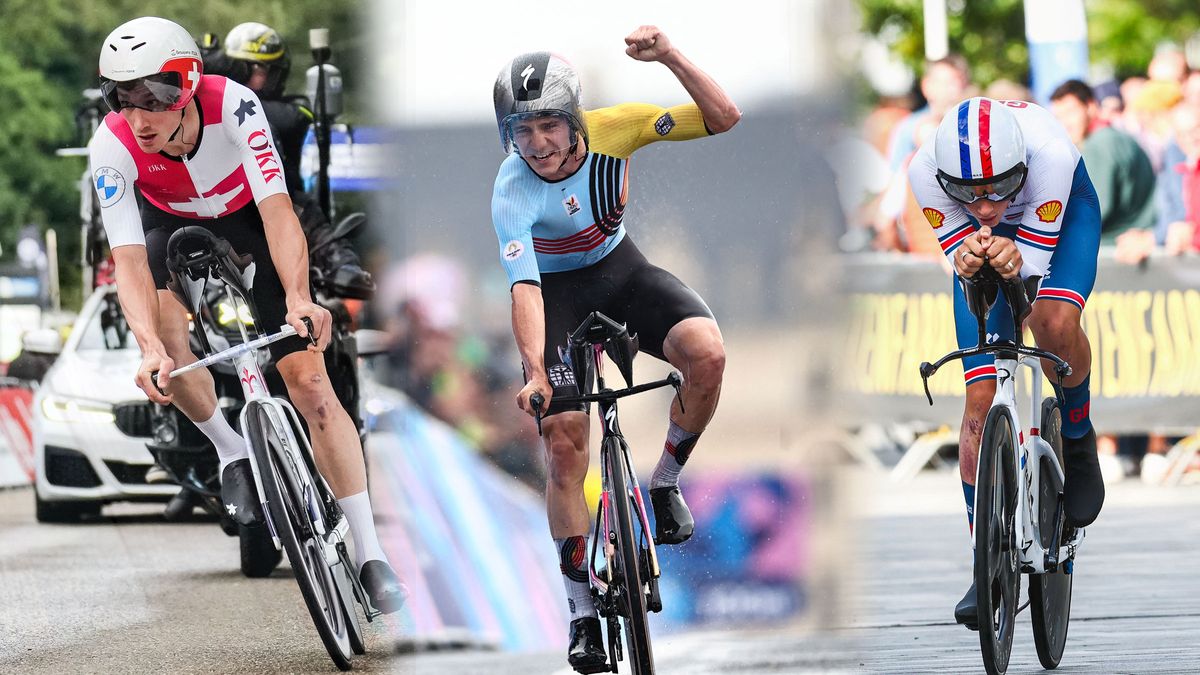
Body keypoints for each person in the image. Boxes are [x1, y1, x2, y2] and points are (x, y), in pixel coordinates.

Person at [87, 16, 405, 611]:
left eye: (153, 98)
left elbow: (280, 212)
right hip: (168, 226)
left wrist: (299, 298)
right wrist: (150, 348)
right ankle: (230, 449)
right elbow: (128, 259)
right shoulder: (112, 144)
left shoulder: (236, 106)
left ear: (185, 86)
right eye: (123, 100)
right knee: (165, 340)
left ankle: (370, 555)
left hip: (249, 221)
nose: (139, 117)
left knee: (311, 382)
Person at [491, 26, 738, 672]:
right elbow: (523, 289)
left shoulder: (618, 128)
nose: (539, 144)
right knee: (565, 438)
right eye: (523, 131)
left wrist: (672, 57)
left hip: (622, 272)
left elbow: (723, 117)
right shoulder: (510, 189)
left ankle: (663, 484)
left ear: (575, 119)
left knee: (706, 353)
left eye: (549, 126)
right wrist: (538, 370)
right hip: (554, 297)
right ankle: (580, 616)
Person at [907, 97, 1105, 628]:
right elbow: (966, 260)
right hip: (991, 248)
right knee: (977, 403)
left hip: (1060, 220)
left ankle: (1080, 439)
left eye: (998, 188)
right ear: (946, 179)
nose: (987, 205)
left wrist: (1009, 262)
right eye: (968, 194)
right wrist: (967, 259)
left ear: (1019, 170)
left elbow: (1029, 276)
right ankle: (984, 561)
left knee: (1051, 323)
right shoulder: (924, 172)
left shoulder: (1050, 157)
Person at [201, 22, 374, 299]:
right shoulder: (203, 107)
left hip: (274, 202)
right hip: (216, 204)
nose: (262, 78)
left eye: (264, 70)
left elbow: (274, 117)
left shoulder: (293, 113)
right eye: (250, 69)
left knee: (303, 208)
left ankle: (337, 262)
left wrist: (217, 73)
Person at [1048, 80, 1157, 243]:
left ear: (1091, 107)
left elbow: (1093, 211)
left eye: (1070, 112)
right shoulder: (1116, 136)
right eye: (1058, 116)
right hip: (1134, 235)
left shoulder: (1099, 144)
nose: (1065, 123)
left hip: (1117, 243)